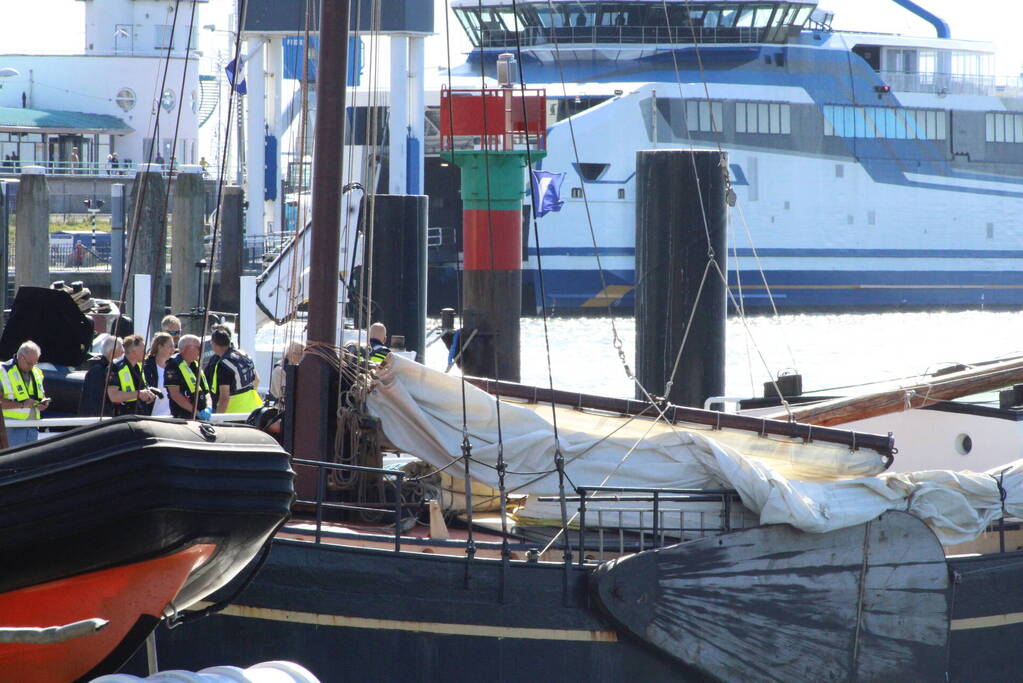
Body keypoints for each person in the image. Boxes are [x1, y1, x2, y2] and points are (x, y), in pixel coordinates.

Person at [0, 341, 50, 446]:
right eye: (29, 363)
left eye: (35, 363)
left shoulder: (37, 372)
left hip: (32, 429)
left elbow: (40, 396)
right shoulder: (2, 371)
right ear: (20, 357)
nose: (32, 366)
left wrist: (42, 403)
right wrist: (22, 405)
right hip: (9, 429)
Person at [204, 326, 261, 414]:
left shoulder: (224, 365)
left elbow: (224, 398)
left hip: (234, 412)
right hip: (253, 408)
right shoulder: (244, 355)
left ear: (215, 345)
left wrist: (217, 419)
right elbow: (257, 380)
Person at [106, 334, 156, 416]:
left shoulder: (139, 367)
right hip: (123, 419)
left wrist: (148, 393)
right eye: (143, 349)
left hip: (139, 416)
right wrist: (139, 394)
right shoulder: (116, 367)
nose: (146, 353)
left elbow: (139, 391)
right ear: (134, 351)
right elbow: (113, 396)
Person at [164, 334, 211, 420]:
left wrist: (208, 407)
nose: (201, 351)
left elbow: (206, 392)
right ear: (187, 348)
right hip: (183, 418)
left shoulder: (196, 365)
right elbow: (175, 395)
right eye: (199, 347)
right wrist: (196, 412)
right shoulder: (173, 365)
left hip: (201, 418)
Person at [79, 334, 122, 416]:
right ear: (113, 351)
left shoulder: (93, 367)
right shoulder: (108, 369)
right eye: (121, 348)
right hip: (100, 415)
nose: (123, 351)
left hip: (86, 414)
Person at [143, 332, 175, 417]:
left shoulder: (175, 366)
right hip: (152, 418)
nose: (173, 349)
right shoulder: (146, 367)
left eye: (173, 346)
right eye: (170, 346)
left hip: (172, 418)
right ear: (160, 347)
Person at [269, 340, 304, 407]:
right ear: (288, 354)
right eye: (298, 353)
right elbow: (282, 394)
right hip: (282, 408)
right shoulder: (279, 371)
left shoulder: (302, 369)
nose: (301, 357)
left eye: (303, 354)